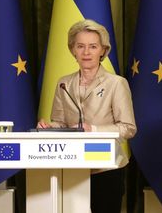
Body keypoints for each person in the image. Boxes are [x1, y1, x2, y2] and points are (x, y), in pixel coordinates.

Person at [37, 19, 137, 213]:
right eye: (80, 46)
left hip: (106, 168)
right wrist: (49, 128)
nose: (86, 52)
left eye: (93, 46)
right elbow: (61, 123)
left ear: (103, 50)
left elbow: (128, 128)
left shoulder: (116, 84)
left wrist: (94, 130)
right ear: (73, 50)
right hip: (72, 166)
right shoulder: (63, 83)